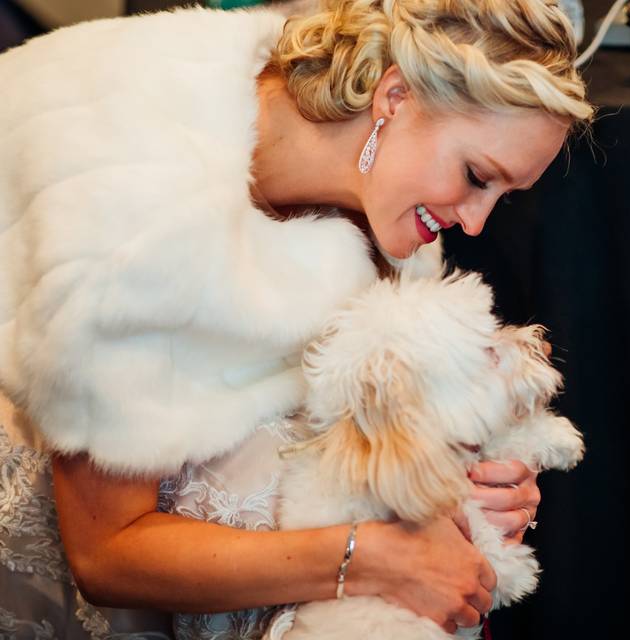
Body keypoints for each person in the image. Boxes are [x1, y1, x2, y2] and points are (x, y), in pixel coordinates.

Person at [0, 0, 594, 637]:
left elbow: (378, 433)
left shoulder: (383, 201)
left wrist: (467, 487)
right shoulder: (133, 233)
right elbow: (107, 554)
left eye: (502, 196)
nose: (475, 222)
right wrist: (373, 558)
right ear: (394, 96)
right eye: (477, 176)